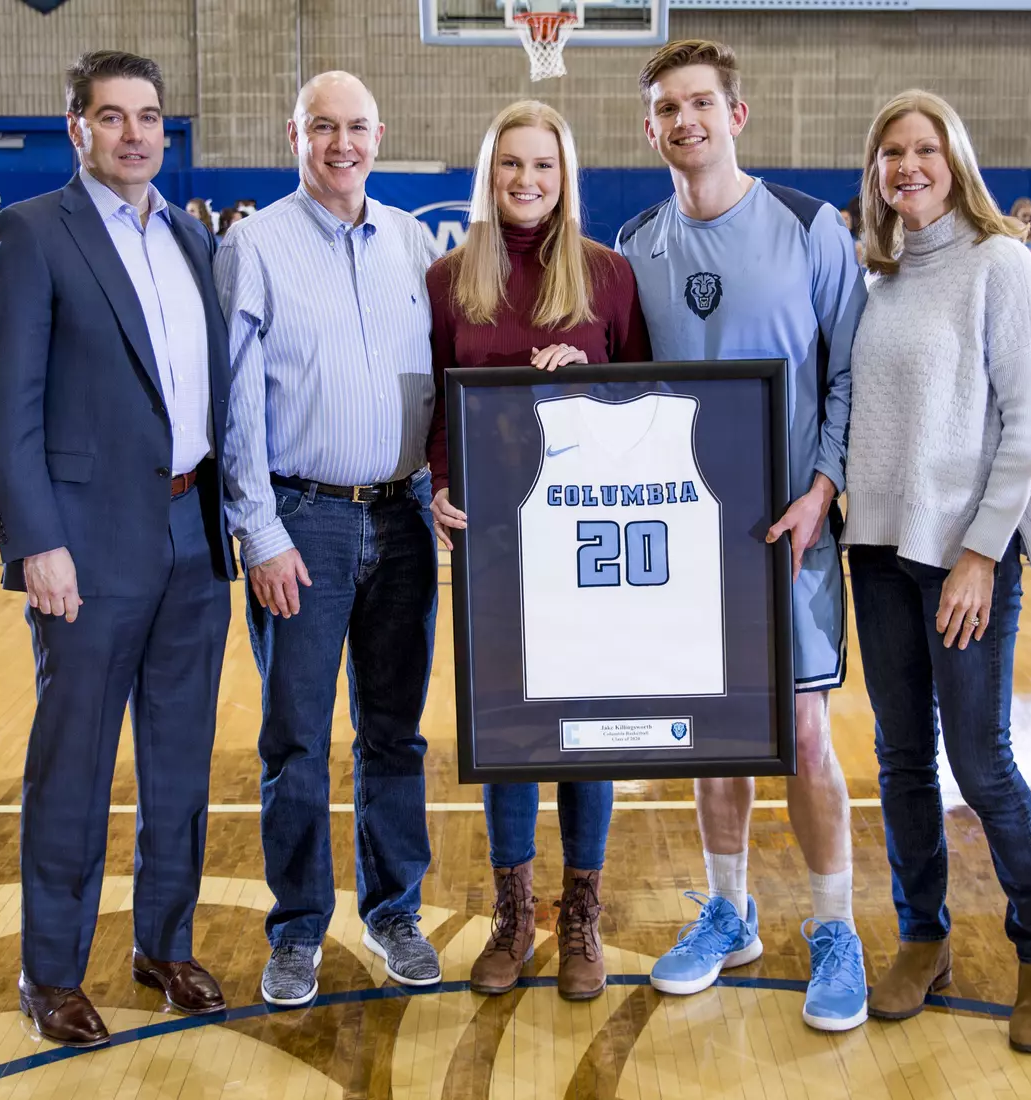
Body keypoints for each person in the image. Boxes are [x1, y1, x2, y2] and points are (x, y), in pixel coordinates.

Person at [0, 49, 235, 1049]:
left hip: (190, 531)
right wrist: (37, 539)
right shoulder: (33, 232)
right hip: (84, 543)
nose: (134, 133)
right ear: (75, 126)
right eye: (113, 116)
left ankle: (163, 943)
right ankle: (50, 972)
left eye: (149, 117)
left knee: (180, 762)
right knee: (74, 763)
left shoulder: (190, 235)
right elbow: (4, 408)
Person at [615, 39, 868, 1033]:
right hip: (687, 544)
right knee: (711, 738)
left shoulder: (810, 226)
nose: (685, 121)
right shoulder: (634, 243)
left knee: (802, 735)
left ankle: (834, 926)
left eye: (700, 105)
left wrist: (821, 488)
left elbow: (849, 373)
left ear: (736, 114)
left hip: (790, 533)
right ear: (649, 129)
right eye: (666, 109)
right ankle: (730, 911)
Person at [845, 87, 1031, 1054]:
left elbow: (1029, 426)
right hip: (880, 551)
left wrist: (981, 552)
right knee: (899, 762)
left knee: (980, 765)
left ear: (955, 159)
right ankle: (923, 937)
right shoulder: (879, 273)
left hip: (964, 558)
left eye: (924, 149)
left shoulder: (1000, 265)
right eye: (890, 152)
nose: (907, 166)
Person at [214, 70, 445, 1009]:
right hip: (302, 519)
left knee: (393, 735)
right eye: (322, 127)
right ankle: (299, 928)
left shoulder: (412, 240)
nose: (340, 143)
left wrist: (442, 496)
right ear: (294, 135)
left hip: (402, 516)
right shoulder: (253, 244)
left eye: (355, 127)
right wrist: (259, 531)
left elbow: (439, 381)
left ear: (379, 136)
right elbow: (232, 402)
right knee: (295, 740)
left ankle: (395, 911)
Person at [424, 100, 652, 1002]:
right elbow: (441, 403)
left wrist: (590, 382)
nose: (526, 181)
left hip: (586, 541)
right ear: (490, 175)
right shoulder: (448, 279)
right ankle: (514, 916)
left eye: (543, 167)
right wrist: (439, 481)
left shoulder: (610, 276)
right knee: (511, 734)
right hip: (493, 541)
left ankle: (581, 917)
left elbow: (650, 404)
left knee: (584, 735)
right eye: (511, 165)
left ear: (566, 178)